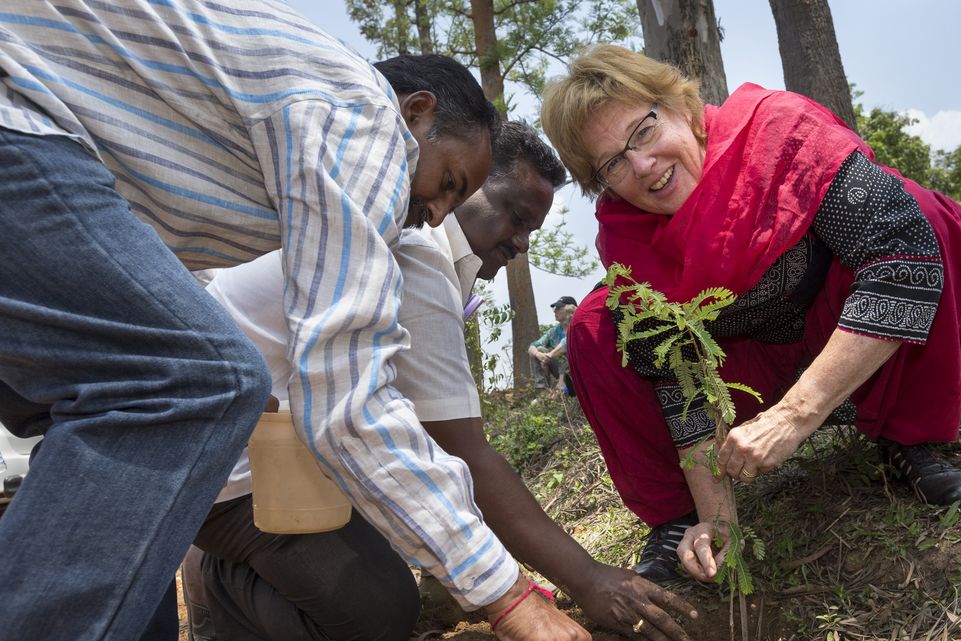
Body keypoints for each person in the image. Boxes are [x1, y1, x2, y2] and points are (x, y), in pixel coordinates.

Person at [0, 2, 503, 638]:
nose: (435, 215)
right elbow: (348, 397)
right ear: (416, 111)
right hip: (15, 115)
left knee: (97, 409)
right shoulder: (366, 115)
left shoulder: (277, 158)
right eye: (449, 183)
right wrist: (504, 594)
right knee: (200, 381)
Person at [182, 122, 697, 641]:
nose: (520, 242)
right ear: (465, 185)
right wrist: (587, 580)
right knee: (377, 612)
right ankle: (219, 579)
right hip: (227, 476)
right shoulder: (416, 253)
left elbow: (421, 430)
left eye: (530, 231)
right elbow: (467, 454)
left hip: (281, 451)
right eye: (515, 217)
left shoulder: (422, 252)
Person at [540, 44, 961, 585]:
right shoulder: (626, 240)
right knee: (594, 327)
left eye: (643, 131)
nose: (642, 165)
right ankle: (676, 518)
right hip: (750, 369)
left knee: (923, 215)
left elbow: (902, 257)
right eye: (612, 163)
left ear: (681, 109)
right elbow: (679, 378)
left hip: (841, 334)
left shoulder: (780, 135)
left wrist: (795, 416)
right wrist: (718, 519)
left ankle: (910, 436)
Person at [528, 296, 578, 389]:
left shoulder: (578, 326)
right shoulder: (554, 332)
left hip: (580, 369)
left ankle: (563, 384)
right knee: (539, 349)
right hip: (563, 372)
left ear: (569, 309)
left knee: (565, 353)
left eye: (558, 308)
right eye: (554, 309)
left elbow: (566, 343)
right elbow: (532, 346)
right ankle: (543, 389)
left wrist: (549, 355)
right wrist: (539, 355)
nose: (555, 311)